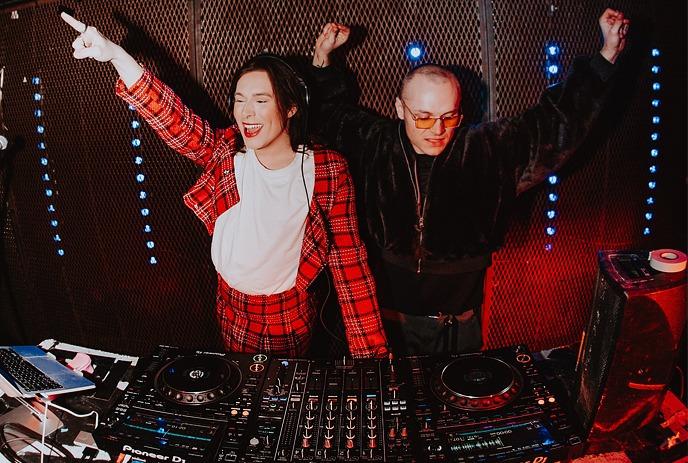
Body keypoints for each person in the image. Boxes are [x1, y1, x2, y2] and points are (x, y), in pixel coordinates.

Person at [60, 12, 389, 358]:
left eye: (260, 100)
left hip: (290, 313)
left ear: (291, 107)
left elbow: (350, 265)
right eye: (239, 99)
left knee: (280, 400)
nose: (246, 112)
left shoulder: (328, 171)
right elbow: (175, 120)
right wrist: (117, 57)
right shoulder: (226, 153)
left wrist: (375, 364)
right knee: (242, 401)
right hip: (230, 305)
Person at [309, 9, 629, 355]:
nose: (437, 129)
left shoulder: (487, 149)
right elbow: (332, 115)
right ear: (400, 108)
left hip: (456, 327)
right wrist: (323, 59)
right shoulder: (375, 144)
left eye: (449, 117)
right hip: (380, 322)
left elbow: (558, 123)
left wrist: (606, 56)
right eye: (423, 117)